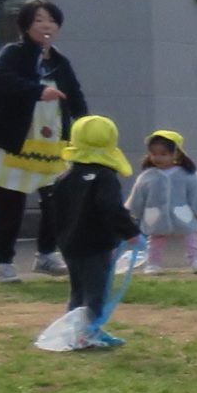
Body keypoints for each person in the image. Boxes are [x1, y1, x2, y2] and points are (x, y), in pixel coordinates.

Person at [0, 0, 87, 283]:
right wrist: (37, 91)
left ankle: (46, 255)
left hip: (50, 145)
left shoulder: (59, 62)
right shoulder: (13, 54)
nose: (46, 25)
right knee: (11, 206)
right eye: (39, 20)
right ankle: (4, 262)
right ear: (26, 26)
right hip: (13, 142)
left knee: (55, 202)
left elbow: (75, 96)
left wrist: (86, 127)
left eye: (51, 20)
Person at [46, 116, 141, 329]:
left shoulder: (64, 178)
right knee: (96, 291)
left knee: (78, 289)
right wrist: (130, 232)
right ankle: (87, 332)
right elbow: (111, 207)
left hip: (69, 244)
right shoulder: (104, 176)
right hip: (96, 245)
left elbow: (55, 212)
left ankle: (73, 329)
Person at [127, 130, 197, 274]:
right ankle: (153, 264)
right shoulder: (146, 176)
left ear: (176, 153)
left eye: (163, 154)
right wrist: (132, 211)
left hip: (182, 213)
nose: (158, 158)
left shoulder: (187, 174)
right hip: (156, 216)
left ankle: (196, 260)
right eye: (154, 154)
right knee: (155, 241)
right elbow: (137, 196)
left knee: (191, 236)